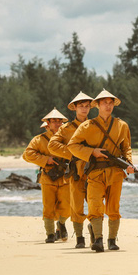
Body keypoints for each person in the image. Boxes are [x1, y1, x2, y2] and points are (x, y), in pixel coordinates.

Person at [68, 89, 135, 252]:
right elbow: (72, 146)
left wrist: (129, 164)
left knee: (114, 207)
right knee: (94, 204)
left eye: (111, 102)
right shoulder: (86, 126)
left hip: (115, 172)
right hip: (95, 172)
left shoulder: (121, 125)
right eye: (104, 102)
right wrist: (92, 152)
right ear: (97, 105)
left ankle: (112, 240)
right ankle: (98, 239)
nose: (108, 105)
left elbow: (126, 147)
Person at [48, 91, 93, 248]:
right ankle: (80, 237)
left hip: (93, 169)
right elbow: (52, 145)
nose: (84, 109)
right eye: (81, 106)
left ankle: (95, 231)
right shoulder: (66, 128)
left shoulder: (95, 125)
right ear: (74, 108)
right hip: (75, 171)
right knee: (76, 204)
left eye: (87, 106)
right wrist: (73, 152)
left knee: (95, 203)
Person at [22, 108, 71, 243]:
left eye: (59, 121)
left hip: (66, 177)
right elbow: (27, 155)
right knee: (48, 206)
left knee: (67, 207)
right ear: (48, 123)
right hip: (48, 176)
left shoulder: (68, 138)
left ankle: (60, 225)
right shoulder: (39, 139)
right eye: (54, 121)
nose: (57, 123)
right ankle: (50, 235)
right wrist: (46, 160)